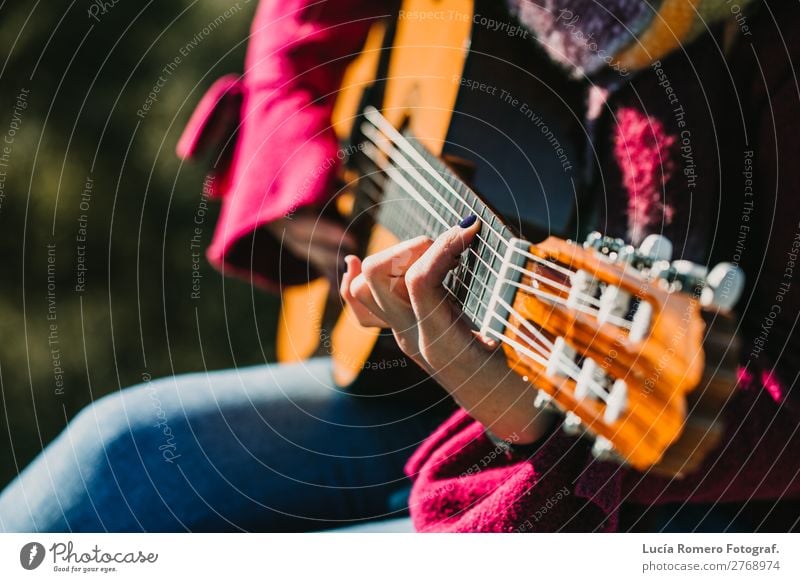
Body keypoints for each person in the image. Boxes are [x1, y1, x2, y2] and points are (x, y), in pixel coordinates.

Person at [2, 0, 799, 533]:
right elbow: (299, 23)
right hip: (434, 390)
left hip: (578, 438)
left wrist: (513, 416)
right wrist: (298, 161)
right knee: (113, 458)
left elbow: (746, 436)